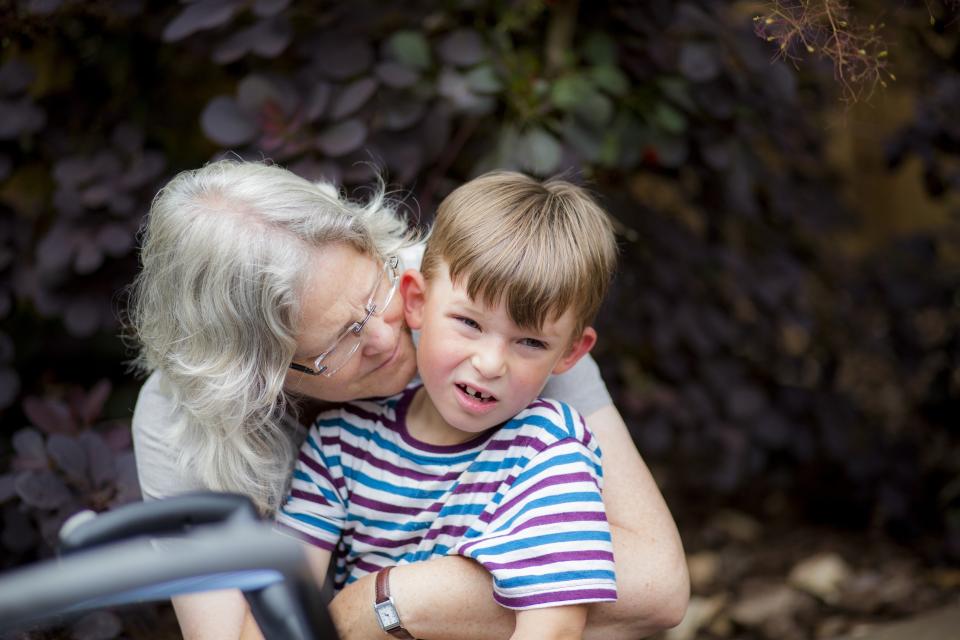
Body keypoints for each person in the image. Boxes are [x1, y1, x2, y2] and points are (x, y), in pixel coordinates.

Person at [129, 160, 688, 640]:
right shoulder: (194, 423)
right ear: (261, 376)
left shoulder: (493, 297)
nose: (384, 336)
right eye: (341, 339)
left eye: (376, 293)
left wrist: (381, 601)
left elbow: (656, 587)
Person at [274, 172, 619, 640]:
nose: (490, 362)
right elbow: (282, 606)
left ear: (570, 354)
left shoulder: (547, 450)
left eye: (531, 342)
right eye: (469, 323)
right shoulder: (341, 442)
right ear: (416, 302)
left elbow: (553, 628)